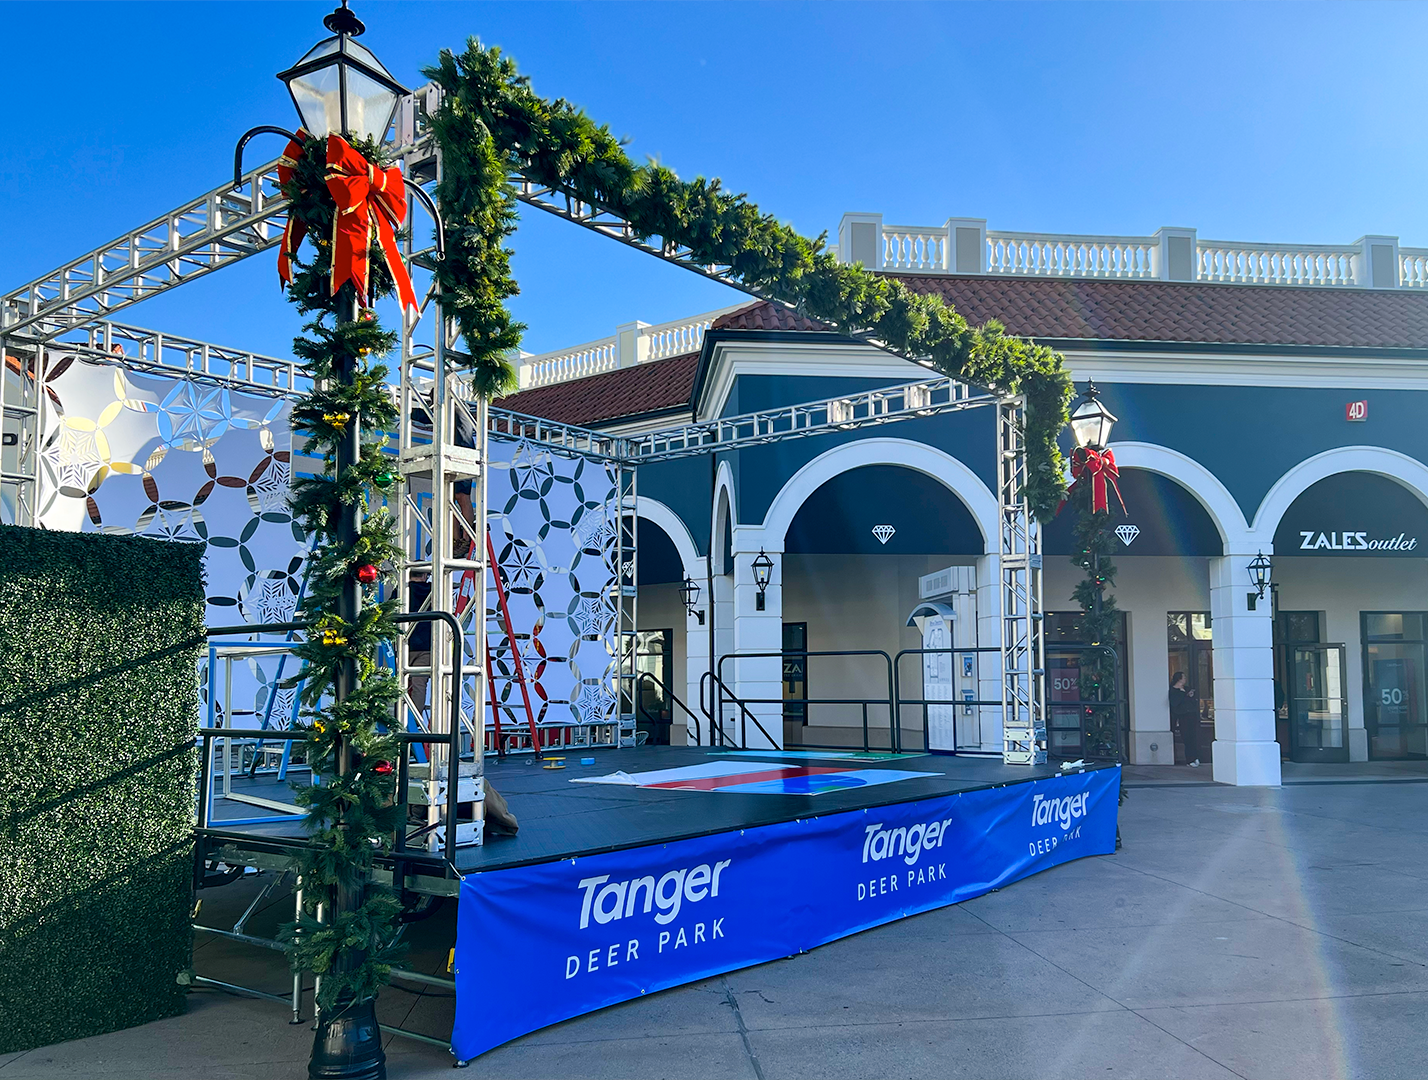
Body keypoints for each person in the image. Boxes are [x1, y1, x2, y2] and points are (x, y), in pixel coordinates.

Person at [1169, 671, 1200, 767]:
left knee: (1193, 737)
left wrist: (1190, 695)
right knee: (1186, 738)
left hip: (1191, 715)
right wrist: (1183, 694)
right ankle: (1189, 759)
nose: (1185, 679)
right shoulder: (1174, 691)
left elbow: (1192, 700)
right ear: (1179, 679)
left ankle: (1195, 757)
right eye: (1184, 677)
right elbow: (1174, 703)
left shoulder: (1186, 689)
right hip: (1182, 717)